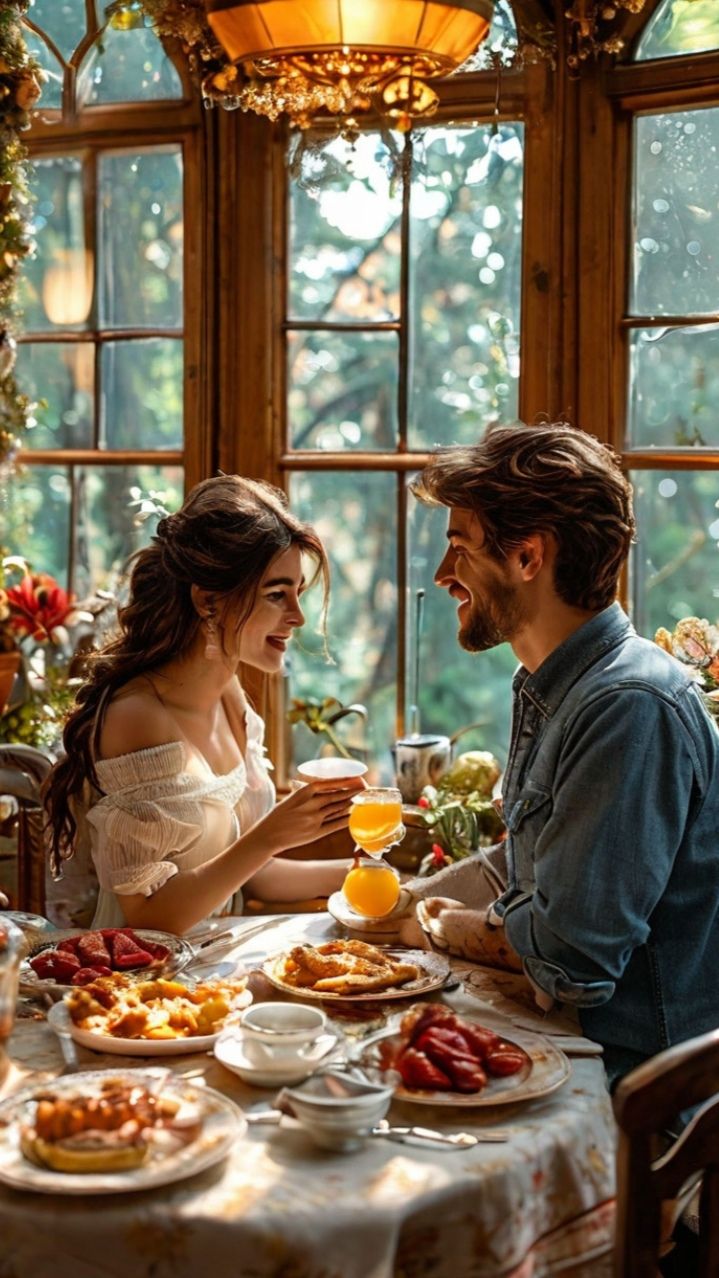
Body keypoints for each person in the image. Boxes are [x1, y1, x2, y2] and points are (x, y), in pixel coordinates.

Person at [406, 421, 719, 1087]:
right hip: (565, 1051)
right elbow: (533, 862)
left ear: (527, 557)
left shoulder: (627, 706)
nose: (441, 576)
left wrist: (444, 926)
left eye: (458, 548)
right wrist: (404, 906)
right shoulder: (564, 686)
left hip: (630, 1104)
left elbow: (572, 961)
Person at [44, 475, 363, 936]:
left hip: (220, 969)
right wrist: (272, 834)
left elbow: (251, 872)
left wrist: (371, 872)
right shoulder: (138, 718)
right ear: (208, 601)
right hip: (143, 983)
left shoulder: (229, 695)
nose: (298, 616)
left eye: (297, 592)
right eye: (277, 594)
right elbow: (151, 916)